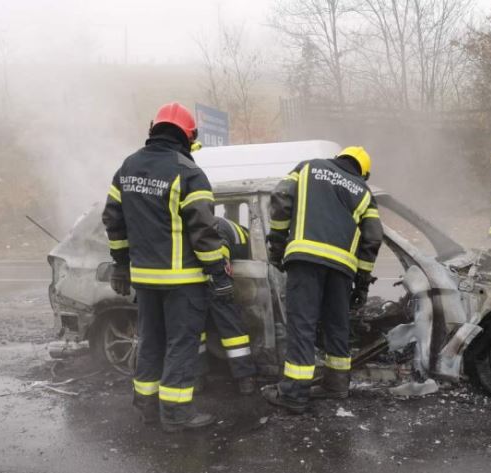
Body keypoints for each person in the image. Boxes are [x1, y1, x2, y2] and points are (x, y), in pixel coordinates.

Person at [102, 101, 232, 432]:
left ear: (153, 129)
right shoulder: (188, 172)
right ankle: (175, 414)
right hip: (183, 280)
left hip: (144, 280)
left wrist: (121, 265)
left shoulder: (127, 167)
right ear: (189, 136)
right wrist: (218, 274)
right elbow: (203, 232)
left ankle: (147, 407)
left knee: (150, 342)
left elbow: (113, 221)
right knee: (181, 344)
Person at [261, 146, 384, 414]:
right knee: (336, 326)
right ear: (363, 171)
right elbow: (373, 238)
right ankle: (336, 385)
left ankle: (294, 394)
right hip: (341, 269)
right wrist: (362, 283)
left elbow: (281, 198)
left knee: (302, 325)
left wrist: (277, 246)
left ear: (339, 157)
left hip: (305, 261)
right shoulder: (362, 191)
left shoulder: (309, 166)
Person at [197, 217, 257, 395]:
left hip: (202, 278)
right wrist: (222, 283)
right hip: (214, 277)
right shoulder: (229, 230)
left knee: (195, 330)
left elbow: (220, 256)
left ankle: (197, 378)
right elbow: (221, 258)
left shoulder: (213, 228)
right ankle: (245, 379)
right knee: (231, 327)